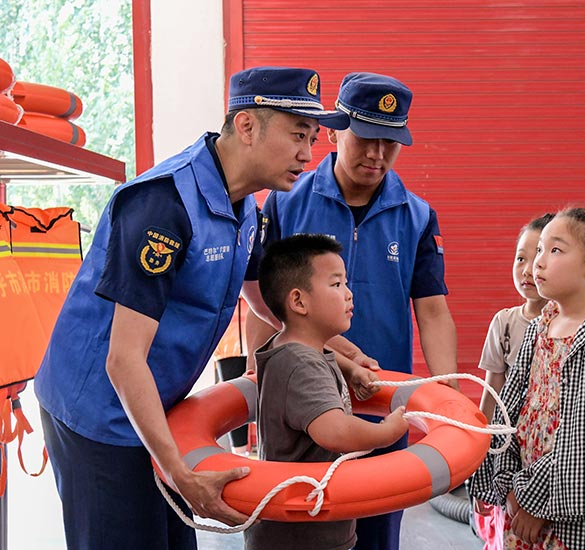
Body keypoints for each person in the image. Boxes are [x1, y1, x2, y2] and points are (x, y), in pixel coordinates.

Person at [33, 66, 351, 550]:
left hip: (161, 404)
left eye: (312, 138)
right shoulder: (164, 206)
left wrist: (342, 358)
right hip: (99, 414)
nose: (309, 155)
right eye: (297, 136)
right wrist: (179, 472)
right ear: (246, 126)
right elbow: (122, 360)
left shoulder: (247, 207)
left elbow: (266, 298)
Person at [245, 71, 457, 550]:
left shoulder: (417, 214)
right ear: (336, 130)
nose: (376, 155)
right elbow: (261, 301)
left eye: (390, 142)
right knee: (302, 525)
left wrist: (446, 396)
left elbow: (433, 311)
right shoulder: (284, 201)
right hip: (305, 402)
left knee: (379, 531)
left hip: (382, 399)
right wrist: (259, 388)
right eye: (365, 138)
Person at [469, 206, 585, 548]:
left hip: (576, 516)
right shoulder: (539, 328)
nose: (539, 262)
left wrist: (536, 502)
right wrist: (507, 485)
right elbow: (508, 411)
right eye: (538, 250)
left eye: (555, 250)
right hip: (522, 502)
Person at [245, 234, 409, 550]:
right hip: (303, 535)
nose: (349, 294)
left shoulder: (296, 350)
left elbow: (322, 361)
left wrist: (352, 368)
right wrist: (387, 433)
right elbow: (334, 431)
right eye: (336, 285)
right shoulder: (301, 364)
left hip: (309, 526)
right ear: (298, 301)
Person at [469, 212, 553, 549]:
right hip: (510, 452)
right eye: (521, 257)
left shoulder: (574, 328)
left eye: (541, 256)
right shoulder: (504, 323)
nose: (528, 268)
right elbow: (491, 396)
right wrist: (479, 467)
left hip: (549, 455)